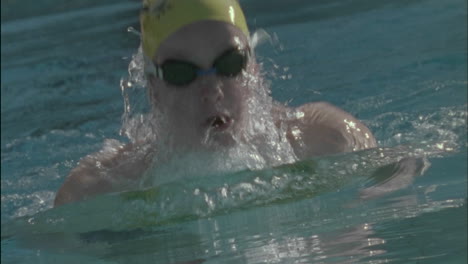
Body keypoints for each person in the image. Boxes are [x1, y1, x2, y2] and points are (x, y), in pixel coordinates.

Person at [54, 0, 377, 207]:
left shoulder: (332, 140)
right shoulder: (96, 192)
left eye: (228, 63)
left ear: (254, 68)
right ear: (154, 91)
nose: (211, 90)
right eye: (182, 73)